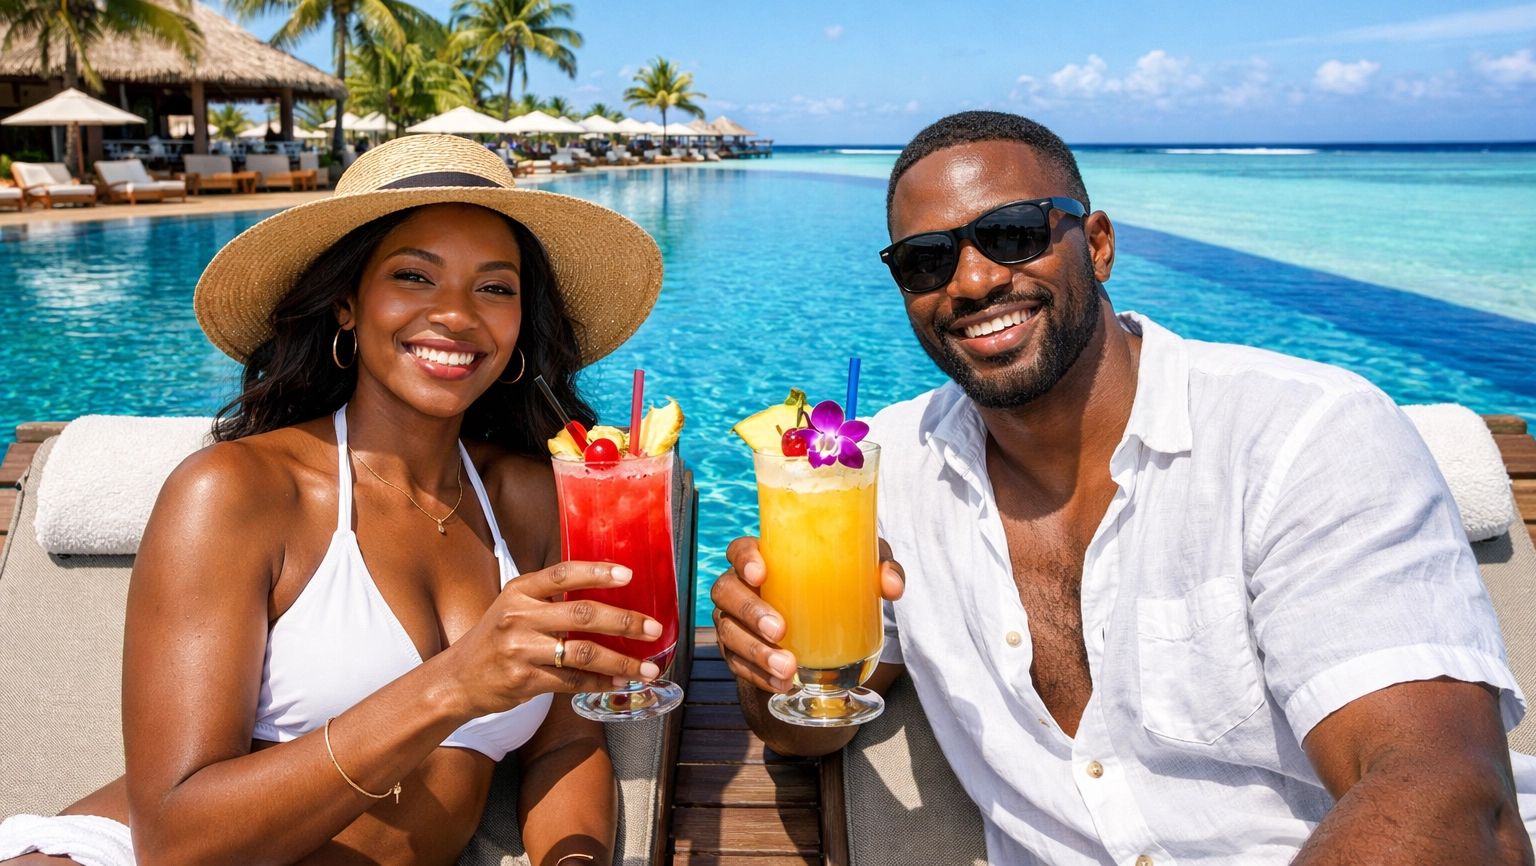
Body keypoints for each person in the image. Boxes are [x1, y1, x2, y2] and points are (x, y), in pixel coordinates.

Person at [711, 111, 1536, 864]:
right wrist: (769, 668)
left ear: (1097, 243)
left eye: (1011, 233)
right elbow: (812, 730)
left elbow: (1448, 800)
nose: (968, 283)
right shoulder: (884, 466)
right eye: (926, 260)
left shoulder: (1302, 436)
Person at [0, 135, 666, 866]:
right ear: (346, 303)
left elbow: (566, 742)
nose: (456, 314)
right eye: (414, 276)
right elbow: (175, 841)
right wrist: (451, 685)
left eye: (495, 287)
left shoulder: (534, 497)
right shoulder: (238, 493)